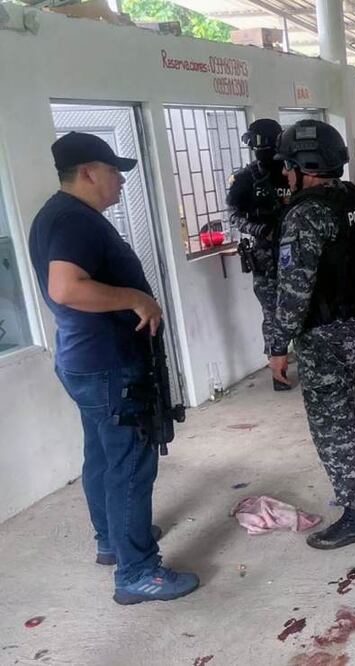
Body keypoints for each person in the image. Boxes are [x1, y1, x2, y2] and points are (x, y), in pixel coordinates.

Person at [29, 132, 199, 604]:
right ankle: (137, 572)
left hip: (88, 361)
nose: (121, 180)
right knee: (129, 464)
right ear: (88, 172)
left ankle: (112, 539)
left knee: (104, 456)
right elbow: (66, 288)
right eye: (113, 170)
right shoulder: (72, 221)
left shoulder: (61, 216)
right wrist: (135, 298)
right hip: (108, 365)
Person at [267, 120, 355, 550]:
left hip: (325, 334)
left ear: (304, 166)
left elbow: (294, 288)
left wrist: (277, 344)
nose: (285, 175)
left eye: (288, 166)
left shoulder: (306, 213)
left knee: (333, 422)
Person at [227, 118, 292, 391]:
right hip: (266, 258)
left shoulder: (292, 171)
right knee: (273, 313)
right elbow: (234, 216)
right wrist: (261, 230)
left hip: (299, 252)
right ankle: (278, 368)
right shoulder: (245, 179)